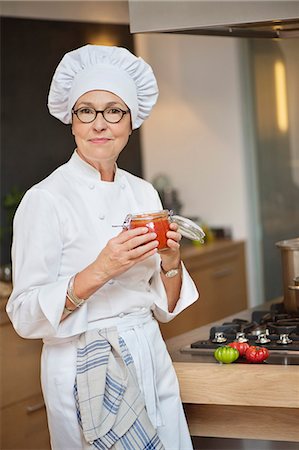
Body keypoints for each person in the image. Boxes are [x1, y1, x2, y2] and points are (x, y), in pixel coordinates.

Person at [6, 44, 199, 450]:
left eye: (114, 111)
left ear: (131, 122)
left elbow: (163, 308)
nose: (100, 124)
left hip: (147, 352)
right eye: (86, 111)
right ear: (71, 122)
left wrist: (171, 261)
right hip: (81, 367)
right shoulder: (45, 199)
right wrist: (101, 269)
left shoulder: (143, 192)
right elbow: (24, 315)